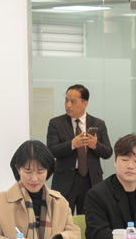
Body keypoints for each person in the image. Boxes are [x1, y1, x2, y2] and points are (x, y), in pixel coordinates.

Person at [0, 140, 82, 239]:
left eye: (40, 171)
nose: (34, 178)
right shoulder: (0, 202)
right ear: (18, 169)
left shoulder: (59, 201)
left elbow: (75, 233)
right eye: (28, 171)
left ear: (48, 170)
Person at [82, 133, 136, 239]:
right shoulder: (97, 195)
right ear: (115, 161)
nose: (130, 166)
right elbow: (98, 235)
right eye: (124, 160)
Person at [45, 83, 111, 213]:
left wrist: (95, 145)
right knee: (61, 218)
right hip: (65, 179)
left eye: (73, 101)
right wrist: (72, 144)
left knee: (90, 218)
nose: (68, 105)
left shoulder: (98, 123)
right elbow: (51, 150)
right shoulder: (56, 123)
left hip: (91, 180)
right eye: (66, 100)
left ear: (84, 103)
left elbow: (108, 152)